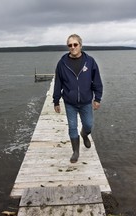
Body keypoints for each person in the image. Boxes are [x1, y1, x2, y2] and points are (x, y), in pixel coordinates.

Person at [53, 34, 103, 163]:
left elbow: (96, 80)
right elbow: (58, 82)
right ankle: (75, 151)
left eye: (75, 44)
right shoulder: (62, 63)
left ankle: (84, 134)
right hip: (70, 102)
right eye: (70, 45)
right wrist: (56, 100)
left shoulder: (90, 61)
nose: (72, 47)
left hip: (86, 101)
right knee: (72, 127)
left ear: (80, 45)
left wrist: (97, 98)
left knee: (88, 125)